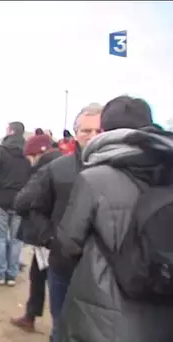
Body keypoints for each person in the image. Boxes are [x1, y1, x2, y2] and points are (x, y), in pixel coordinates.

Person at [57, 96, 173, 342]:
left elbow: (68, 242)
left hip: (101, 308)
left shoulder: (94, 178)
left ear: (106, 130)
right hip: (164, 307)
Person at [3, 103, 101, 340]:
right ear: (76, 134)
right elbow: (28, 204)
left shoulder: (124, 169)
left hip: (105, 271)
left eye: (98, 130)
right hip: (64, 265)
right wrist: (50, 238)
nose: (92, 137)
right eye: (85, 131)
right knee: (62, 326)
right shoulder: (58, 169)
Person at [10, 133, 63, 332]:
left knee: (49, 280)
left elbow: (22, 201)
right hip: (58, 235)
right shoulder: (67, 164)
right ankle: (31, 316)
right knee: (39, 275)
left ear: (36, 154)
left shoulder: (46, 170)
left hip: (47, 237)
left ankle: (51, 325)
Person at [0, 121, 31, 286]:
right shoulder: (28, 153)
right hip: (21, 202)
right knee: (16, 240)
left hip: (1, 201)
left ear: (10, 131)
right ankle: (12, 275)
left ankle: (0, 274)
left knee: (0, 238)